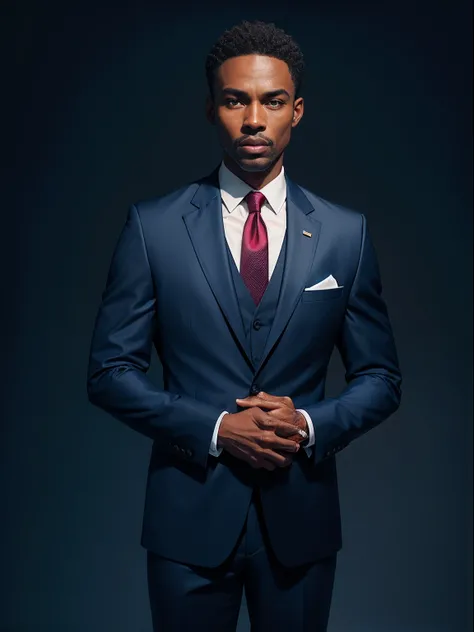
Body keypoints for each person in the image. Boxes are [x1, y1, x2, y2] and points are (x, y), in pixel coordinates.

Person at [87, 19, 402, 632]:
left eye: (272, 101)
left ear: (297, 111)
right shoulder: (153, 229)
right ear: (212, 109)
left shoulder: (345, 234)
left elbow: (381, 377)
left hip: (302, 526)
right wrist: (216, 427)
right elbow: (108, 373)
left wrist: (309, 423)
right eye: (236, 100)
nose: (253, 118)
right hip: (187, 524)